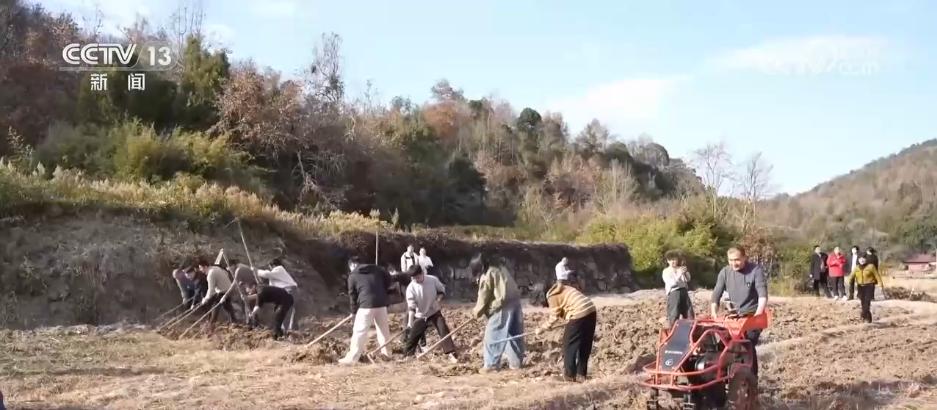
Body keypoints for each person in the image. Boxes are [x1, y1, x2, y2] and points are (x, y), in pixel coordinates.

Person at [711, 246, 768, 378]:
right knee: (723, 344)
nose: (733, 263)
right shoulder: (725, 272)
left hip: (752, 315)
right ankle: (723, 376)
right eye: (730, 260)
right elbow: (716, 294)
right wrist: (714, 313)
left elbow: (762, 295)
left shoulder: (755, 270)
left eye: (737, 260)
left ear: (744, 258)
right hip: (735, 316)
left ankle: (751, 378)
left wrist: (758, 314)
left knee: (746, 343)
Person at [472, 253, 525, 372]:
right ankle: (516, 363)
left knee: (493, 335)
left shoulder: (487, 274)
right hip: (516, 304)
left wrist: (476, 312)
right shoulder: (501, 268)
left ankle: (491, 365)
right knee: (514, 335)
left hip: (502, 307)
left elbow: (483, 297)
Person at [534, 281, 597, 382]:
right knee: (585, 344)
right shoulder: (562, 288)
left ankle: (569, 375)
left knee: (568, 345)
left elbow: (554, 317)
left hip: (579, 313)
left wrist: (542, 328)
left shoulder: (551, 295)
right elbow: (566, 307)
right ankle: (581, 374)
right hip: (591, 310)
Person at [340, 256, 395, 365]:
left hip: (366, 305)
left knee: (359, 332)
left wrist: (353, 312)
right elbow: (389, 280)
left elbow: (352, 296)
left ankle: (352, 358)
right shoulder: (378, 269)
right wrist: (382, 291)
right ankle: (387, 354)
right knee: (384, 331)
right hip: (381, 304)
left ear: (352, 265)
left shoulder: (353, 275)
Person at [403, 265, 458, 362]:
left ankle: (451, 352)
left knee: (443, 329)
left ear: (422, 273)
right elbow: (411, 307)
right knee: (413, 335)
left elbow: (441, 291)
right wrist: (410, 322)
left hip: (434, 311)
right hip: (420, 314)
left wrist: (438, 299)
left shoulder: (432, 280)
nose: (416, 280)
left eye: (418, 277)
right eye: (414, 278)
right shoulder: (411, 288)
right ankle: (408, 355)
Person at [256, 259, 299, 332]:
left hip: (289, 291)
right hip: (285, 293)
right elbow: (272, 287)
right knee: (282, 311)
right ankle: (285, 329)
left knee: (286, 311)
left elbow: (267, 274)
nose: (270, 269)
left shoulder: (279, 269)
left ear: (273, 265)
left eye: (270, 267)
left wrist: (257, 271)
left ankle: (287, 330)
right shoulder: (276, 276)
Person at [196, 259, 239, 326]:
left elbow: (211, 289)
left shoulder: (211, 274)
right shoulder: (216, 268)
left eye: (201, 268)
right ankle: (234, 321)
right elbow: (226, 273)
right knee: (227, 306)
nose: (200, 270)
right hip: (228, 289)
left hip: (223, 291)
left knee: (215, 306)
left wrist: (206, 299)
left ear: (205, 267)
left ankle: (211, 324)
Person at [662, 250, 694, 328]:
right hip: (674, 293)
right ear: (668, 261)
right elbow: (672, 283)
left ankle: (689, 331)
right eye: (671, 260)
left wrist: (685, 272)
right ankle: (672, 331)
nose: (673, 261)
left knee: (689, 314)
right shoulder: (666, 271)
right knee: (674, 314)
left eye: (675, 259)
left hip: (684, 292)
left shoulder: (680, 268)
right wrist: (679, 274)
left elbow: (688, 279)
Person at [853, 255, 885, 323]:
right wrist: (850, 284)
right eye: (860, 259)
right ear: (858, 260)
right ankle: (868, 318)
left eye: (863, 259)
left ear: (866, 259)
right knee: (863, 302)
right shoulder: (857, 268)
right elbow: (851, 276)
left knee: (867, 302)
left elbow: (877, 276)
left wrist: (880, 285)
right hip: (860, 287)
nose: (862, 260)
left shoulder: (871, 266)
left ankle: (863, 314)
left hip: (869, 286)